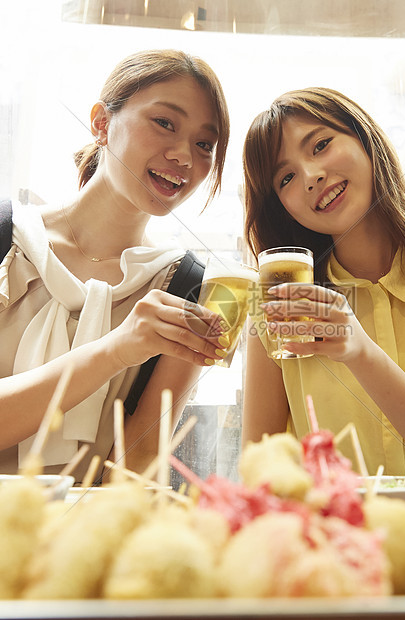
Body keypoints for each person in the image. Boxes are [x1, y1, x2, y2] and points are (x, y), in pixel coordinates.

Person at [241, 87, 405, 476]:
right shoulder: (279, 306)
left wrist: (360, 352)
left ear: (366, 139)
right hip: (326, 534)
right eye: (287, 178)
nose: (312, 176)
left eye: (321, 145)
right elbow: (258, 470)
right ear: (282, 208)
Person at [0, 49, 231, 481]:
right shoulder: (6, 239)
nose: (184, 156)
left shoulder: (187, 287)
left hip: (82, 538)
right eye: (165, 123)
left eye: (204, 144)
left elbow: (133, 471)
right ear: (101, 123)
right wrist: (116, 350)